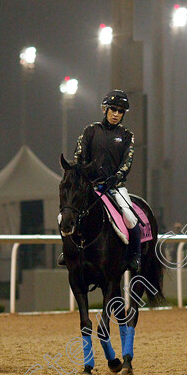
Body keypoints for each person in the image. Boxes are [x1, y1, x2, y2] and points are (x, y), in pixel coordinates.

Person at [58, 90, 141, 272]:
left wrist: (117, 176)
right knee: (63, 215)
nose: (116, 114)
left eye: (120, 111)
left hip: (114, 187)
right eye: (113, 109)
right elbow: (79, 157)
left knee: (130, 218)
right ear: (105, 109)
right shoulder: (90, 131)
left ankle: (135, 255)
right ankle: (67, 251)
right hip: (90, 186)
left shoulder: (127, 135)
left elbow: (128, 161)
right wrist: (84, 175)